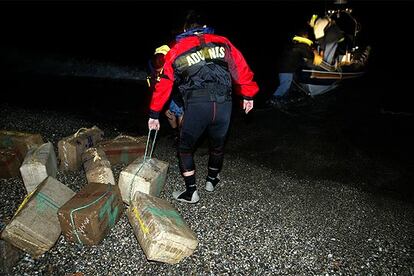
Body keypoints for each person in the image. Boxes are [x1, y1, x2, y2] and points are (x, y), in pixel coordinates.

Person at [147, 10, 259, 203]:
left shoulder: (176, 50)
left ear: (185, 29)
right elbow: (240, 68)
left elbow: (164, 84)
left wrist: (154, 114)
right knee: (217, 145)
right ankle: (211, 180)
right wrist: (248, 94)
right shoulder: (223, 42)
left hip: (198, 105)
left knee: (184, 148)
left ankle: (191, 192)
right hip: (224, 104)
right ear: (206, 27)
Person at [267, 28, 322, 108]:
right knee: (284, 86)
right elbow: (310, 56)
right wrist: (315, 51)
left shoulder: (293, 44)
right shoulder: (302, 46)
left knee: (288, 85)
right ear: (305, 37)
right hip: (286, 70)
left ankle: (282, 101)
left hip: (283, 69)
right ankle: (273, 100)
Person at [147, 44, 184, 139]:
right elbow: (155, 88)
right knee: (169, 113)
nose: (159, 73)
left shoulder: (175, 60)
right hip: (165, 92)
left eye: (161, 71)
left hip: (179, 90)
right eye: (158, 72)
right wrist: (163, 107)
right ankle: (175, 134)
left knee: (180, 112)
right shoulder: (153, 63)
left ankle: (181, 136)